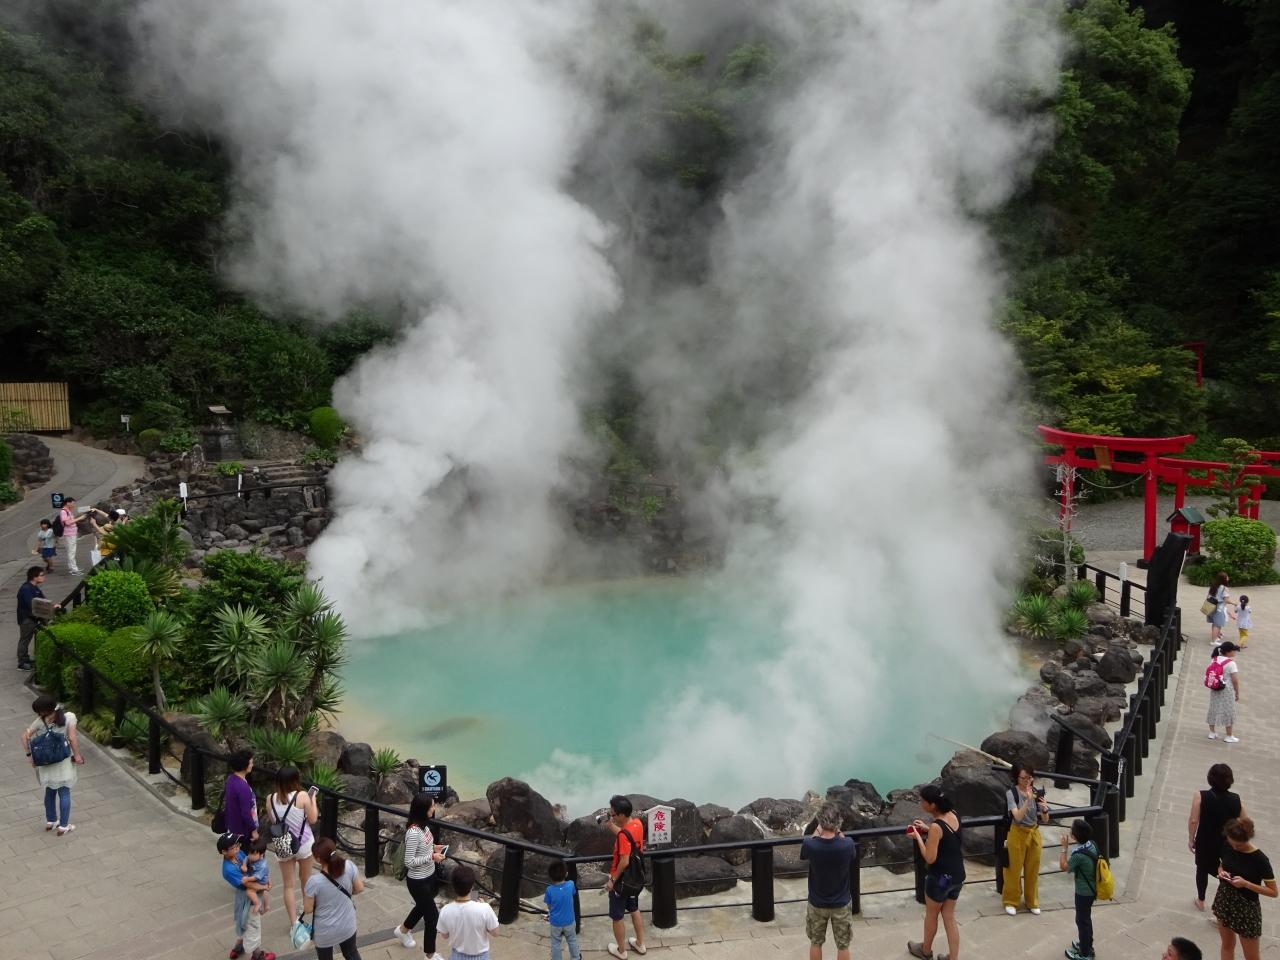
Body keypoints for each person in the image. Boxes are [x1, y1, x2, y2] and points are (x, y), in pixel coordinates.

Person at [907, 785, 963, 960]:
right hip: (957, 876)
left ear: (932, 805)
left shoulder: (936, 827)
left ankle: (925, 951)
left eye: (923, 801)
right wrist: (927, 828)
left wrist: (918, 837)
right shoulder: (953, 814)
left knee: (931, 915)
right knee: (949, 917)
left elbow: (930, 858)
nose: (920, 803)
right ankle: (953, 958)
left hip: (940, 879)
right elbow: (946, 834)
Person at [1211, 817, 1276, 960]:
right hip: (1225, 899)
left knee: (1251, 957)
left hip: (1247, 908)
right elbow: (1222, 864)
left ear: (1248, 839)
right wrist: (1222, 871)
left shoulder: (1260, 859)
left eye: (1239, 845)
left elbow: (1273, 892)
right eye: (1232, 843)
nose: (1235, 848)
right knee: (1227, 945)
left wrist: (1246, 884)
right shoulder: (1227, 844)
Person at [393, 792, 446, 958]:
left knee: (422, 907)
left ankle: (402, 930)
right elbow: (409, 862)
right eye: (432, 806)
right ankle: (430, 954)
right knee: (433, 917)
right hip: (418, 881)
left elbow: (423, 847)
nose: (434, 808)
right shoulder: (414, 832)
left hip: (429, 876)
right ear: (423, 810)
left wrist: (434, 848)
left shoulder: (425, 827)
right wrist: (431, 857)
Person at [20, 694, 83, 834]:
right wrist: (77, 755)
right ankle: (63, 826)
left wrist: (30, 756)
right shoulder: (69, 717)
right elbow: (72, 738)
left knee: (49, 791)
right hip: (63, 761)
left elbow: (24, 737)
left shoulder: (40, 721)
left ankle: (51, 821)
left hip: (45, 762)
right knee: (64, 792)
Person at [801, 801, 856, 960]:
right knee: (843, 945)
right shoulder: (847, 844)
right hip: (841, 903)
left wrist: (818, 829)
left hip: (817, 902)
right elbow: (851, 853)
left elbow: (806, 851)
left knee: (816, 942)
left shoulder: (810, 845)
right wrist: (838, 831)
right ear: (838, 822)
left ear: (820, 820)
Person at [1188, 762, 1245, 910]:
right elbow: (1245, 822)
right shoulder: (1236, 799)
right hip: (1227, 842)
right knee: (1225, 872)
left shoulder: (1201, 796)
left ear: (1210, 778)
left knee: (1202, 868)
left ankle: (1201, 900)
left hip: (1205, 840)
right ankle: (1223, 906)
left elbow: (1194, 820)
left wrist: (1191, 839)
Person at [269, 766, 318, 932]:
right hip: (303, 844)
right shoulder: (302, 796)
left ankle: (294, 923)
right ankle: (306, 909)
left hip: (284, 844)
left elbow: (274, 821)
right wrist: (313, 800)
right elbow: (312, 819)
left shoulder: (270, 799)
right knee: (306, 879)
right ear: (295, 780)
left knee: (288, 886)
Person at [303, 837, 364, 960]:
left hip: (325, 932)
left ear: (318, 859)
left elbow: (308, 909)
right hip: (347, 925)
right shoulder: (349, 866)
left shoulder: (314, 882)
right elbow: (359, 888)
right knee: (351, 953)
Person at [219, 832, 276, 960]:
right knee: (252, 924)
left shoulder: (238, 854)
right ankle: (257, 955)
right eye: (233, 847)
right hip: (247, 897)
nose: (237, 848)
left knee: (243, 922)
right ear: (224, 851)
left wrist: (267, 878)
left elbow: (252, 862)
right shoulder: (228, 869)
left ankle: (238, 948)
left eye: (237, 845)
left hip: (252, 890)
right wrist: (265, 886)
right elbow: (247, 885)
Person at [1002, 762, 1049, 915]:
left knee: (1033, 869)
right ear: (1017, 778)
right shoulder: (1011, 793)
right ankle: (1011, 900)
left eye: (1029, 778)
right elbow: (1017, 816)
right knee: (1013, 869)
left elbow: (1045, 819)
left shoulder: (1036, 792)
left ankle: (1032, 901)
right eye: (1023, 778)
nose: (1027, 781)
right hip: (1017, 832)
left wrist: (1045, 809)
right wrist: (1028, 801)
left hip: (1033, 832)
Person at [603, 795, 647, 960]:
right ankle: (640, 944)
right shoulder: (637, 824)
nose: (612, 816)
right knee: (634, 909)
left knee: (617, 916)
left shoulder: (623, 835)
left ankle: (621, 951)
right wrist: (610, 825)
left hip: (621, 881)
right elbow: (627, 836)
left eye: (614, 814)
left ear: (622, 815)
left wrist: (612, 880)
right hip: (635, 878)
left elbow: (624, 861)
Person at [436, 865, 498, 960]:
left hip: (457, 956)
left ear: (453, 886)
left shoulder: (446, 910)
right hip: (480, 956)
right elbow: (495, 933)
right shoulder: (484, 908)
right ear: (472, 886)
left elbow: (444, 935)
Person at [1058, 819, 1099, 960]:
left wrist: (1064, 848)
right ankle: (1087, 945)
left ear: (1075, 836)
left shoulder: (1078, 855)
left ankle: (1085, 954)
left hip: (1083, 893)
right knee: (1086, 919)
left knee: (1081, 921)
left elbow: (1063, 866)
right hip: (1092, 889)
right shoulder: (1092, 844)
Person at [16, 565, 56, 671]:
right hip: (27, 619)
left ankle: (26, 660)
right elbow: (32, 605)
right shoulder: (26, 589)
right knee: (25, 640)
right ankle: (22, 663)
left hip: (33, 618)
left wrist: (52, 606)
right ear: (34, 577)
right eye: (42, 575)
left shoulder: (34, 588)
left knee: (27, 639)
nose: (44, 577)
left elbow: (43, 600)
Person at [1206, 642, 1241, 742]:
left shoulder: (1214, 659)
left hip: (1215, 687)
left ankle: (1212, 733)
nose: (1235, 652)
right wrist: (1237, 692)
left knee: (1213, 708)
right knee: (1228, 711)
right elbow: (1235, 680)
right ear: (1228, 652)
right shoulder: (1231, 664)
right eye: (1233, 650)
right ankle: (1229, 736)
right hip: (1227, 690)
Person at [545, 859, 580, 960]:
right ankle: (576, 958)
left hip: (555, 923)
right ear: (566, 874)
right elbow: (573, 893)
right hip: (569, 921)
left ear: (550, 876)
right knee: (572, 940)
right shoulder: (571, 884)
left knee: (555, 943)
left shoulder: (549, 890)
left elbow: (549, 906)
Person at [224, 750, 259, 844]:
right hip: (243, 830)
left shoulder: (231, 779)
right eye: (251, 763)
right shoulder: (242, 787)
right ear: (244, 766)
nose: (252, 765)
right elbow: (246, 813)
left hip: (233, 824)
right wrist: (254, 830)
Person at [243, 836, 274, 915]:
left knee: (250, 891)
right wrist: (244, 865)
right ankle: (266, 906)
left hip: (261, 881)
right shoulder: (251, 857)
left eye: (253, 854)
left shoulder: (262, 866)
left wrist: (247, 879)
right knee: (264, 892)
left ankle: (257, 903)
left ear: (261, 854)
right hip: (261, 877)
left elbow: (256, 877)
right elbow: (246, 858)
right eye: (250, 853)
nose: (250, 856)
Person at [58, 497, 84, 575]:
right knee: (71, 551)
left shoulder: (68, 511)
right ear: (68, 503)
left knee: (70, 551)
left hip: (71, 533)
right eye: (73, 503)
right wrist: (80, 518)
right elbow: (67, 523)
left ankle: (72, 567)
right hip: (69, 534)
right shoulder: (63, 511)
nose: (74, 505)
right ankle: (74, 569)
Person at [1206, 572, 1232, 643]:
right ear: (1224, 579)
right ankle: (1213, 641)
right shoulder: (1224, 588)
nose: (1228, 578)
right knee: (1217, 625)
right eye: (1227, 577)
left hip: (1211, 605)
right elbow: (1226, 600)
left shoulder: (1214, 585)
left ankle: (1215, 637)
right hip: (1219, 608)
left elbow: (1208, 596)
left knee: (1215, 623)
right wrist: (1234, 603)